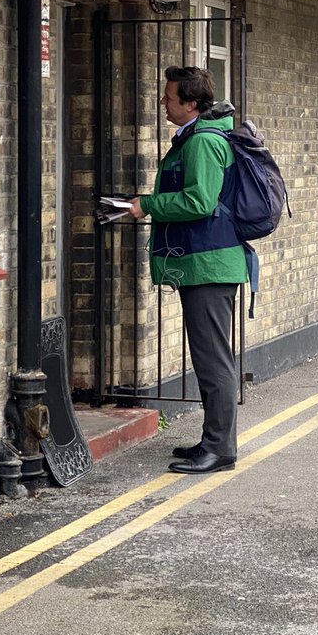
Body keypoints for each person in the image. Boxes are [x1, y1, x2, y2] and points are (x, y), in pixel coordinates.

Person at [130, 65, 247, 474]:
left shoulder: (202, 143)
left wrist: (146, 205)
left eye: (169, 97)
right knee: (211, 357)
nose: (163, 101)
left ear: (191, 104)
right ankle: (213, 440)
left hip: (210, 265)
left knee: (213, 360)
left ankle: (220, 449)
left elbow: (199, 202)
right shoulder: (193, 139)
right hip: (204, 262)